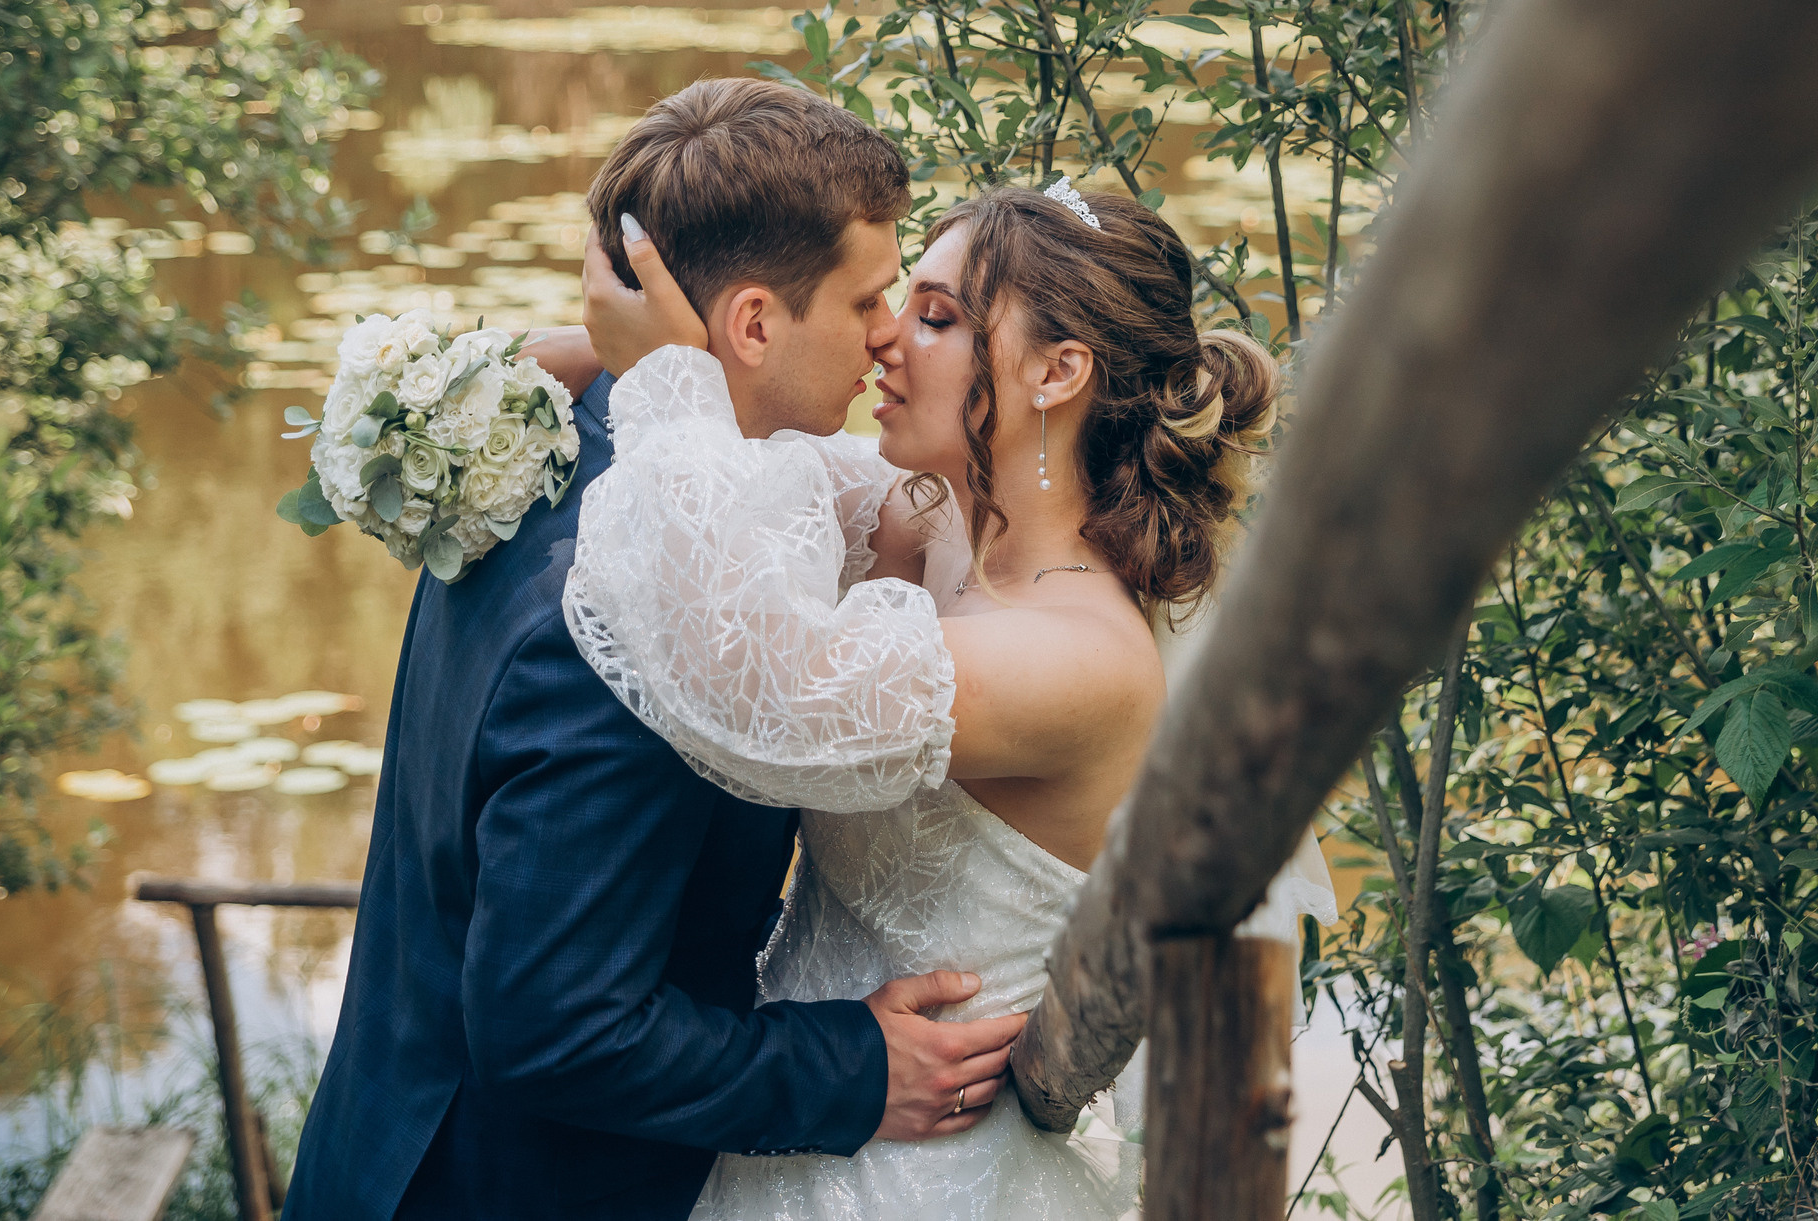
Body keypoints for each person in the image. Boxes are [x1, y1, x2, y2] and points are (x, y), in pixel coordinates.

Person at [284, 80, 1024, 1221]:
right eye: (872, 296)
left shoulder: (546, 455)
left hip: (385, 1135)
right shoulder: (634, 614)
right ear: (752, 325)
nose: (888, 332)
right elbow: (555, 1024)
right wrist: (853, 1068)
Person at [553, 172, 1327, 1218]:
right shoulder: (936, 521)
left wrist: (666, 378)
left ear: (1057, 372)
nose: (885, 341)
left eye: (936, 317)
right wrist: (596, 351)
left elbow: (759, 675)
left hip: (929, 1177)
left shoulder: (1084, 658)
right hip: (799, 1135)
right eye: (894, 304)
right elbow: (753, 450)